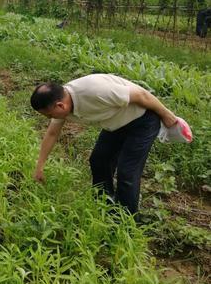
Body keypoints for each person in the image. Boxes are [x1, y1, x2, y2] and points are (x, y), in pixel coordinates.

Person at [30, 73, 178, 215]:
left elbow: (141, 95)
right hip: (115, 122)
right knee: (99, 161)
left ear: (60, 106)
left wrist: (167, 115)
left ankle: (126, 220)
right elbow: (52, 133)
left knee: (127, 172)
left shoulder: (96, 91)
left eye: (49, 115)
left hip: (142, 120)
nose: (49, 118)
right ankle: (104, 206)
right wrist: (39, 166)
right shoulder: (62, 103)